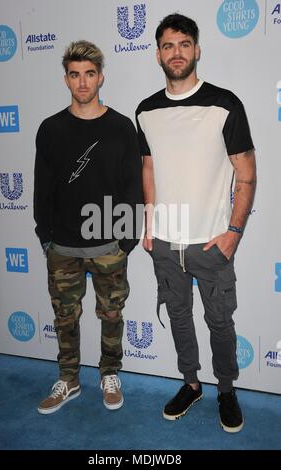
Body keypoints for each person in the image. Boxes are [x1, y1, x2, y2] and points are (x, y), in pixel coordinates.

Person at [136, 14, 256, 433]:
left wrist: (233, 233)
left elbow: (246, 174)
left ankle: (226, 389)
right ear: (158, 54)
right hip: (166, 242)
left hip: (211, 242)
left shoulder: (225, 104)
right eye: (168, 46)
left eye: (184, 44)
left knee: (220, 322)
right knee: (179, 317)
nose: (176, 53)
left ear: (197, 50)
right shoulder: (146, 110)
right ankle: (191, 383)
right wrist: (148, 223)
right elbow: (148, 169)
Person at [34, 40, 142, 414]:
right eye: (75, 75)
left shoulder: (121, 127)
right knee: (65, 317)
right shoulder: (50, 129)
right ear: (66, 79)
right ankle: (69, 379)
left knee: (112, 314)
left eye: (89, 74)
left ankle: (109, 373)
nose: (82, 83)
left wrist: (127, 239)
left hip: (109, 245)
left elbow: (133, 186)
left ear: (101, 78)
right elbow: (41, 187)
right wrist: (45, 237)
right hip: (62, 247)